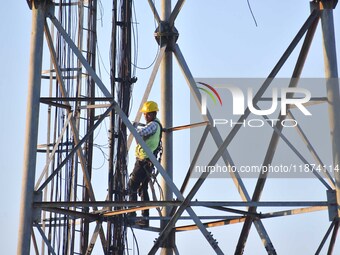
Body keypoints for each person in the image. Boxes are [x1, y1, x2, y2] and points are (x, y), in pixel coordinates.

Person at [128, 101, 162, 226]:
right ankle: (145, 218)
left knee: (132, 186)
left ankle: (132, 214)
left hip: (144, 161)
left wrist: (131, 126)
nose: (145, 116)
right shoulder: (154, 125)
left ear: (152, 114)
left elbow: (140, 132)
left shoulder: (153, 125)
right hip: (147, 161)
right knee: (143, 188)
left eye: (146, 114)